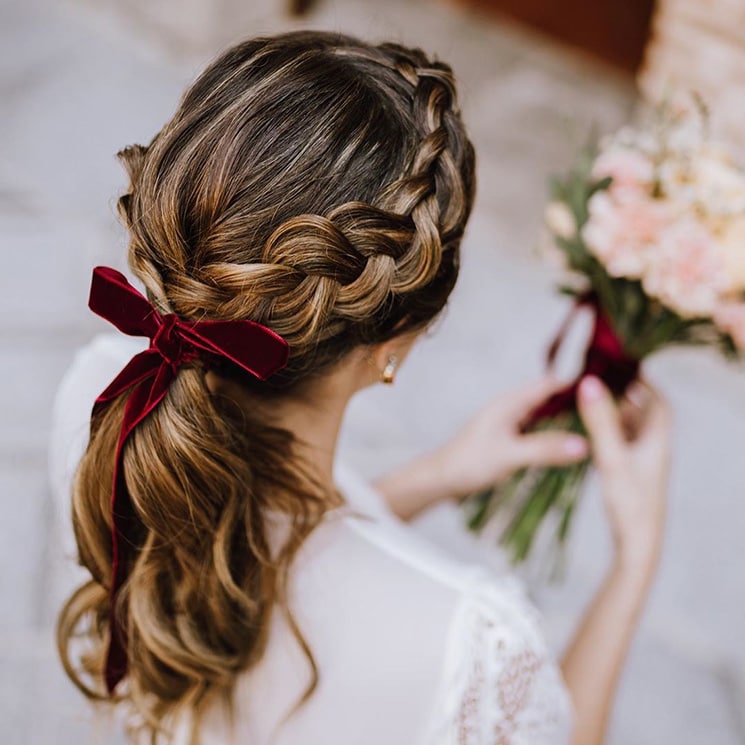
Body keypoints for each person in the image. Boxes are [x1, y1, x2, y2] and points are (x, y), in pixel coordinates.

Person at [54, 30, 671, 745]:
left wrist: (440, 474)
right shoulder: (467, 649)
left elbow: (250, 545)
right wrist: (635, 558)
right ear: (395, 345)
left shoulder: (102, 398)